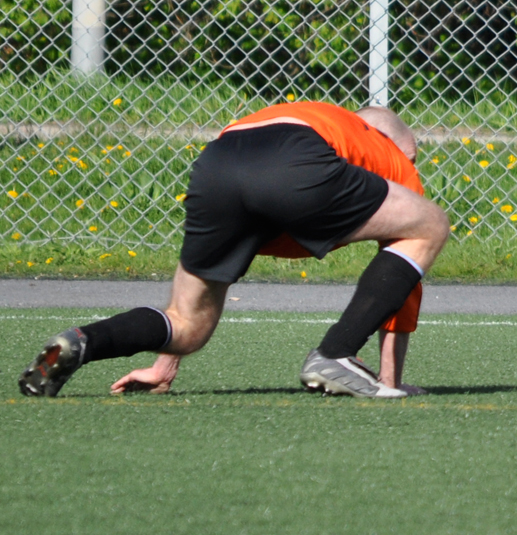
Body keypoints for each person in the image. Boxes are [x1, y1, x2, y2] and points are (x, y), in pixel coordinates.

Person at [18, 102, 450, 399]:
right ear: (397, 144)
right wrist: (390, 380)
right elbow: (403, 279)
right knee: (429, 224)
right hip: (296, 159)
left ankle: (82, 342)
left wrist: (164, 367)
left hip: (218, 162)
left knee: (188, 324)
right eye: (412, 157)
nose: (411, 167)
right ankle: (335, 354)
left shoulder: (322, 116)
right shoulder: (390, 154)